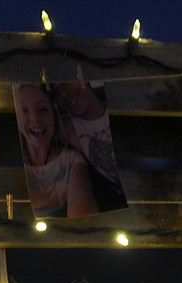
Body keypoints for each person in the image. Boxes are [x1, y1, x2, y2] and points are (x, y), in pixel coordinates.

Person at [13, 84, 98, 219]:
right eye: (24, 111)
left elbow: (82, 209)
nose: (35, 118)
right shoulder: (14, 161)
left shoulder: (71, 161)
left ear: (54, 114)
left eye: (43, 109)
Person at [51, 80, 127, 213]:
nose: (63, 95)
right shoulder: (66, 129)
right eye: (55, 93)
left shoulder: (120, 105)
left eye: (64, 82)